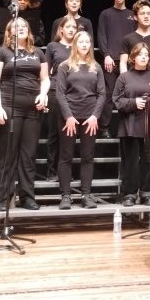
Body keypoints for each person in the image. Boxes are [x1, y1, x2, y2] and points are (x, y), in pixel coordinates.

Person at [0, 17, 49, 211]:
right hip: (9, 106)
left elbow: (46, 79)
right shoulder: (1, 52)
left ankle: (27, 197)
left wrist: (43, 94)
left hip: (32, 108)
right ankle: (1, 198)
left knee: (28, 155)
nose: (21, 28)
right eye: (16, 26)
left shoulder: (38, 52)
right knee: (7, 154)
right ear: (9, 32)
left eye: (24, 26)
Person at [55, 30, 105, 209]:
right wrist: (68, 116)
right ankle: (66, 196)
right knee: (66, 156)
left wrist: (95, 116)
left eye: (87, 42)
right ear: (75, 44)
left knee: (87, 156)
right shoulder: (65, 66)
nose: (84, 44)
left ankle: (86, 194)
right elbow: (59, 93)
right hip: (69, 117)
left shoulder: (95, 66)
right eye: (81, 41)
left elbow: (102, 93)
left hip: (90, 117)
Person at [113, 43, 150, 207]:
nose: (144, 57)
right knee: (130, 161)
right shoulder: (124, 77)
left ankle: (147, 193)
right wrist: (134, 102)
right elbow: (116, 100)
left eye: (146, 54)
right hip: (129, 125)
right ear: (133, 57)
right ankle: (129, 193)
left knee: (148, 161)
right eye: (140, 54)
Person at [97, 0, 136, 138]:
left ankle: (127, 127)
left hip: (128, 61)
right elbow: (101, 35)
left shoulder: (132, 15)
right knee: (108, 94)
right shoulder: (106, 14)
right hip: (111, 60)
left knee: (128, 94)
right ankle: (104, 128)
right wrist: (106, 54)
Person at [43, 15, 77, 183]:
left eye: (74, 27)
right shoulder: (52, 46)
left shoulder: (79, 47)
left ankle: (66, 170)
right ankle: (51, 171)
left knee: (69, 135)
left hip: (75, 93)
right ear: (61, 29)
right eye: (68, 26)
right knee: (54, 133)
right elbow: (45, 72)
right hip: (55, 90)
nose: (71, 29)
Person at [119, 0, 150, 78]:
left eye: (149, 13)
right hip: (132, 83)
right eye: (142, 13)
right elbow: (123, 63)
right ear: (135, 17)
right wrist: (125, 82)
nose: (146, 16)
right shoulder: (127, 39)